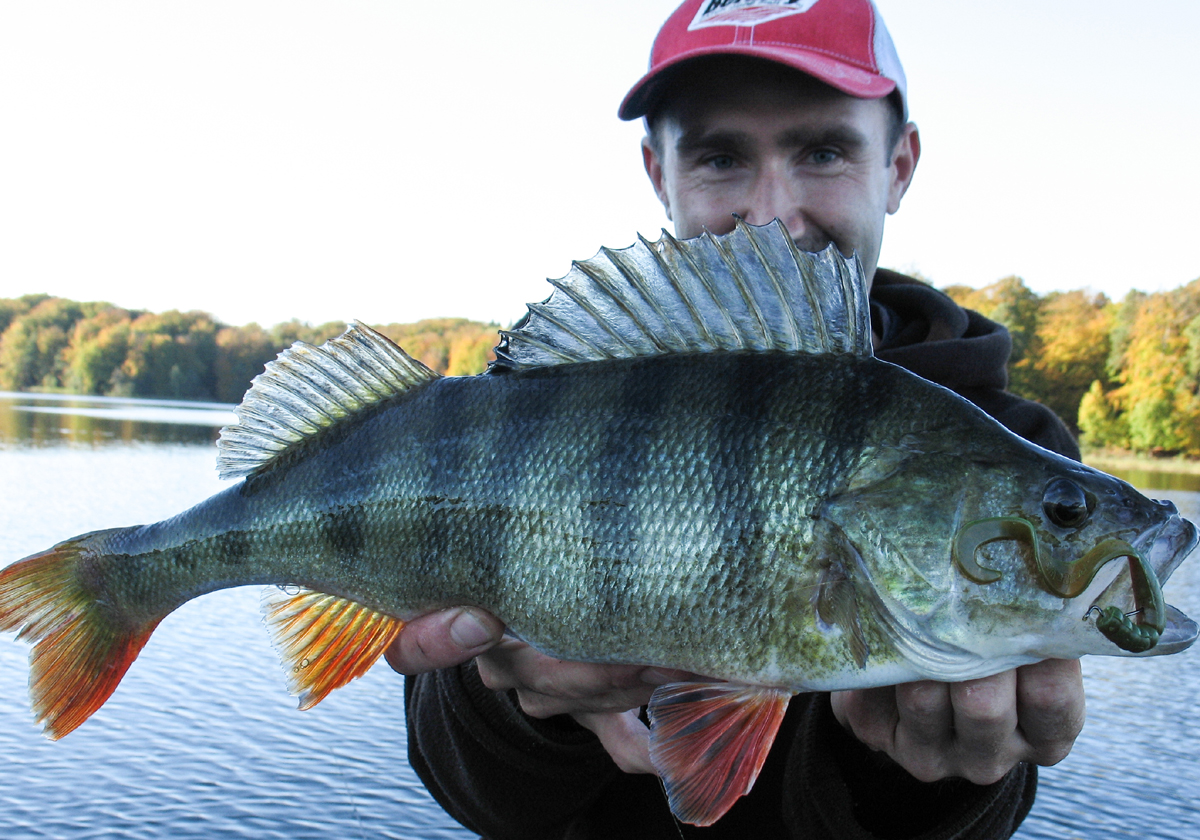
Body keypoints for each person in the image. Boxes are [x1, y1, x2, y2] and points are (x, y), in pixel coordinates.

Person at [388, 2, 1087, 837]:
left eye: (823, 150)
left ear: (899, 165)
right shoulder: (558, 398)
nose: (773, 213)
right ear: (658, 172)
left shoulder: (1011, 449)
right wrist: (513, 704)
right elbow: (475, 795)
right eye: (721, 157)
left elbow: (989, 800)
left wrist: (922, 781)